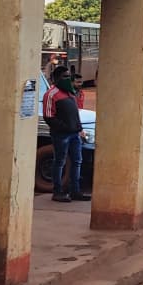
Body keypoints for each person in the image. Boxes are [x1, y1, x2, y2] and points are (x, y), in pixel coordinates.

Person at [42, 66, 90, 203]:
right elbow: (49, 117)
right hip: (61, 135)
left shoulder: (70, 92)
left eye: (68, 76)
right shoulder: (51, 94)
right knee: (60, 162)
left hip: (75, 134)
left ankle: (75, 191)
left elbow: (75, 114)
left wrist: (78, 128)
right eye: (64, 76)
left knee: (77, 161)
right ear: (56, 78)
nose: (67, 79)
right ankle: (57, 192)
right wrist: (64, 128)